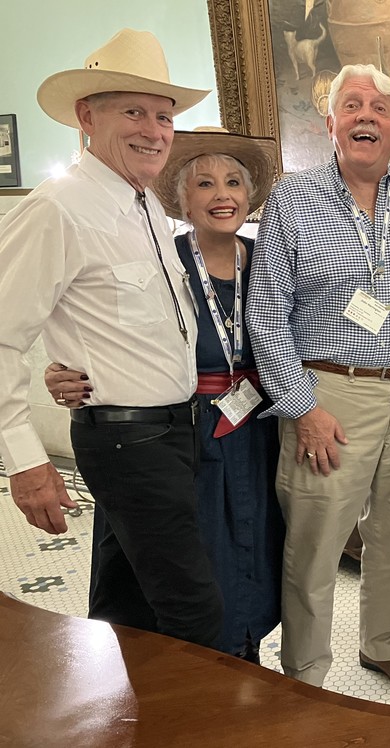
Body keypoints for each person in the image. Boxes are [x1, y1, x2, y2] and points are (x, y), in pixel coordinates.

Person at [0, 29, 224, 647]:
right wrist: (26, 460)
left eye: (163, 116)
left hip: (172, 431)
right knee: (195, 613)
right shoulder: (57, 208)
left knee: (126, 604)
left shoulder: (146, 205)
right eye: (133, 112)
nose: (153, 131)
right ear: (86, 116)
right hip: (127, 440)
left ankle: (121, 704)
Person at [44, 128, 285, 663]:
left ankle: (247, 658)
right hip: (179, 433)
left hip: (257, 430)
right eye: (205, 184)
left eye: (233, 183)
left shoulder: (269, 258)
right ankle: (194, 671)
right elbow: (105, 325)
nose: (222, 195)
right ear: (182, 199)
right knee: (188, 562)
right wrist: (60, 371)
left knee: (256, 544)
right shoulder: (163, 261)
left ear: (249, 196)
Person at [246, 64, 390, 691]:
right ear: (330, 123)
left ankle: (383, 645)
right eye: (352, 105)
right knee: (317, 540)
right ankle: (305, 673)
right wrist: (302, 407)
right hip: (328, 392)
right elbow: (266, 312)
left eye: (380, 108)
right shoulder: (292, 198)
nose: (366, 117)